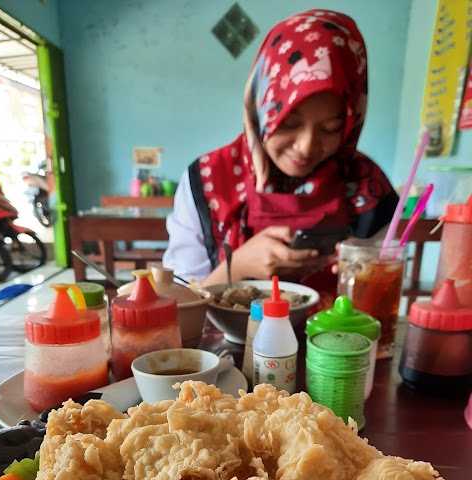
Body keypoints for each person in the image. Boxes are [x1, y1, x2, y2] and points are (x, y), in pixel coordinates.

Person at [163, 9, 398, 297]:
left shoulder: (367, 185)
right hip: (222, 341)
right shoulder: (207, 179)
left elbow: (380, 300)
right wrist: (236, 267)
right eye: (289, 123)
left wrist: (362, 272)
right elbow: (178, 305)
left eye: (330, 127)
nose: (306, 146)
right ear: (261, 107)